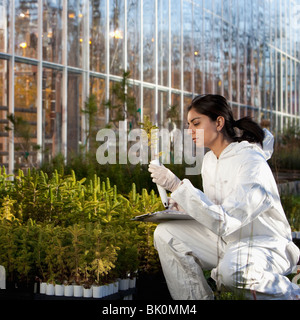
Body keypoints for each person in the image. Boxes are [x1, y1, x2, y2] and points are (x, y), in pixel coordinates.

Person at [148, 94, 300, 300]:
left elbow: (227, 220)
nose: (190, 130)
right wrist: (184, 205)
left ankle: (293, 294)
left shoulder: (250, 161)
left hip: (263, 243)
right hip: (228, 240)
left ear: (219, 122)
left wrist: (177, 186)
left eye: (196, 123)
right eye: (188, 124)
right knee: (167, 234)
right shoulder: (210, 160)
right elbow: (215, 209)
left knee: (232, 272)